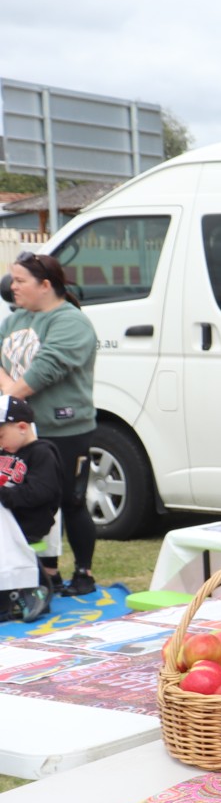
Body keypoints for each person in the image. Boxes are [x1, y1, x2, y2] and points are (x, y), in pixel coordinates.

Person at [1, 252, 100, 596]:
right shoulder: (14, 321)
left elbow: (46, 369)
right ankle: (44, 575)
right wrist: (10, 395)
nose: (11, 287)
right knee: (28, 501)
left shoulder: (70, 322)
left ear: (45, 285)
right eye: (11, 280)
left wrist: (10, 396)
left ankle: (83, 574)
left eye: (19, 280)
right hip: (19, 432)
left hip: (64, 428)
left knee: (70, 501)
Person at [0, 396, 58, 621]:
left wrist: (4, 496)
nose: (0, 442)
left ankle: (26, 589)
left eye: (2, 435)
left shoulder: (42, 453)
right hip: (9, 515)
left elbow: (41, 492)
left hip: (30, 520)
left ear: (22, 427)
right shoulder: (6, 452)